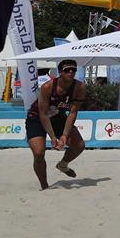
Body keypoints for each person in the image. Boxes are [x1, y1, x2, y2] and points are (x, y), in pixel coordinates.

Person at [26, 59, 88, 190]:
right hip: (36, 117)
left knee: (79, 145)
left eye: (73, 69)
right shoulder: (47, 87)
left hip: (58, 117)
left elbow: (72, 113)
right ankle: (44, 186)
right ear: (60, 72)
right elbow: (43, 115)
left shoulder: (79, 87)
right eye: (67, 70)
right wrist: (53, 137)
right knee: (38, 153)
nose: (71, 72)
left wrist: (64, 136)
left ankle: (63, 165)